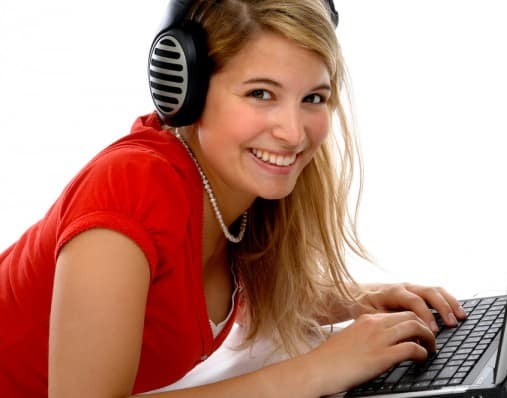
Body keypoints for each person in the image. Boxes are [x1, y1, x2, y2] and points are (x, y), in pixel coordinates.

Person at [0, 0, 467, 396]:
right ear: (186, 91)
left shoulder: (236, 192)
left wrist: (356, 300)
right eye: (261, 93)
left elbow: (212, 293)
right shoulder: (128, 191)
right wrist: (316, 370)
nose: (292, 132)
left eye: (313, 98)